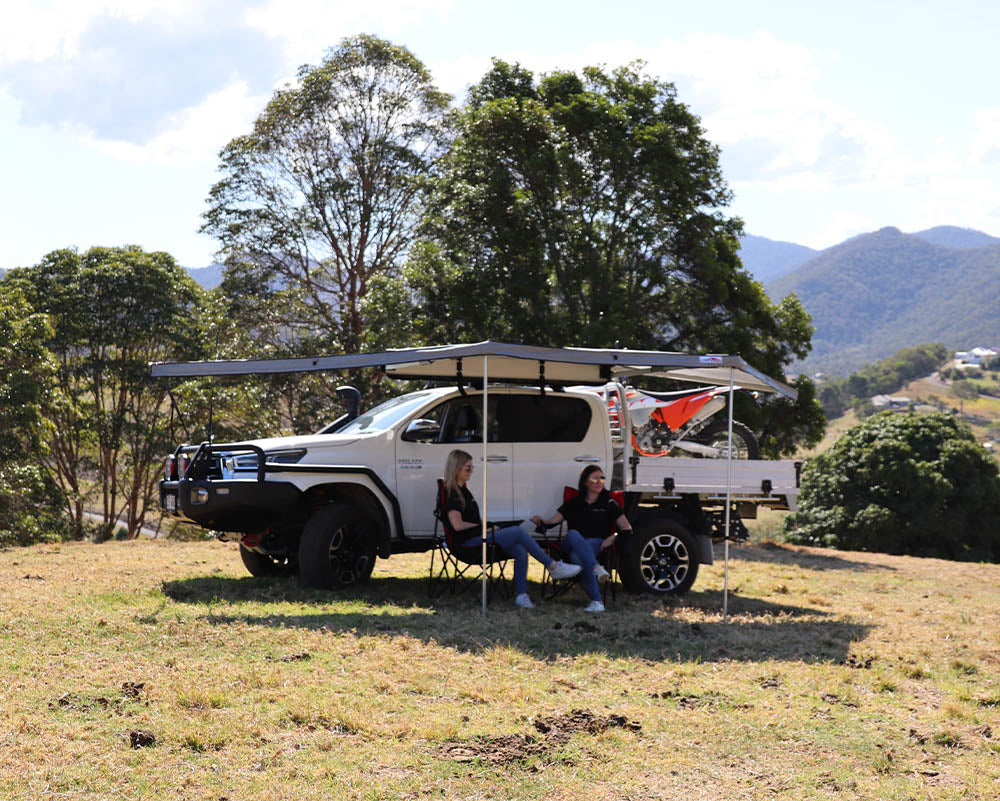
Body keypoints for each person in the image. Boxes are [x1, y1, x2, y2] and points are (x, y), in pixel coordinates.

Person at [443, 449, 581, 609]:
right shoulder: (453, 494)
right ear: (456, 468)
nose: (471, 471)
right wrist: (483, 527)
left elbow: (471, 521)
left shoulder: (464, 491)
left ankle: (521, 595)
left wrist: (488, 527)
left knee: (519, 550)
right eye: (468, 468)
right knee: (517, 531)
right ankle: (553, 566)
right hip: (466, 544)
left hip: (477, 536)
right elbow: (457, 525)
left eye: (472, 467)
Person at [530, 464, 634, 613]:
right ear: (585, 482)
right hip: (570, 543)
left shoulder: (609, 503)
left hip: (596, 544)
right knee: (573, 534)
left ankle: (597, 602)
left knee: (577, 556)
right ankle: (597, 568)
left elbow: (626, 528)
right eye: (594, 478)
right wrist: (541, 521)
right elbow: (551, 522)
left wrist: (613, 538)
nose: (599, 482)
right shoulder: (574, 502)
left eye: (602, 478)